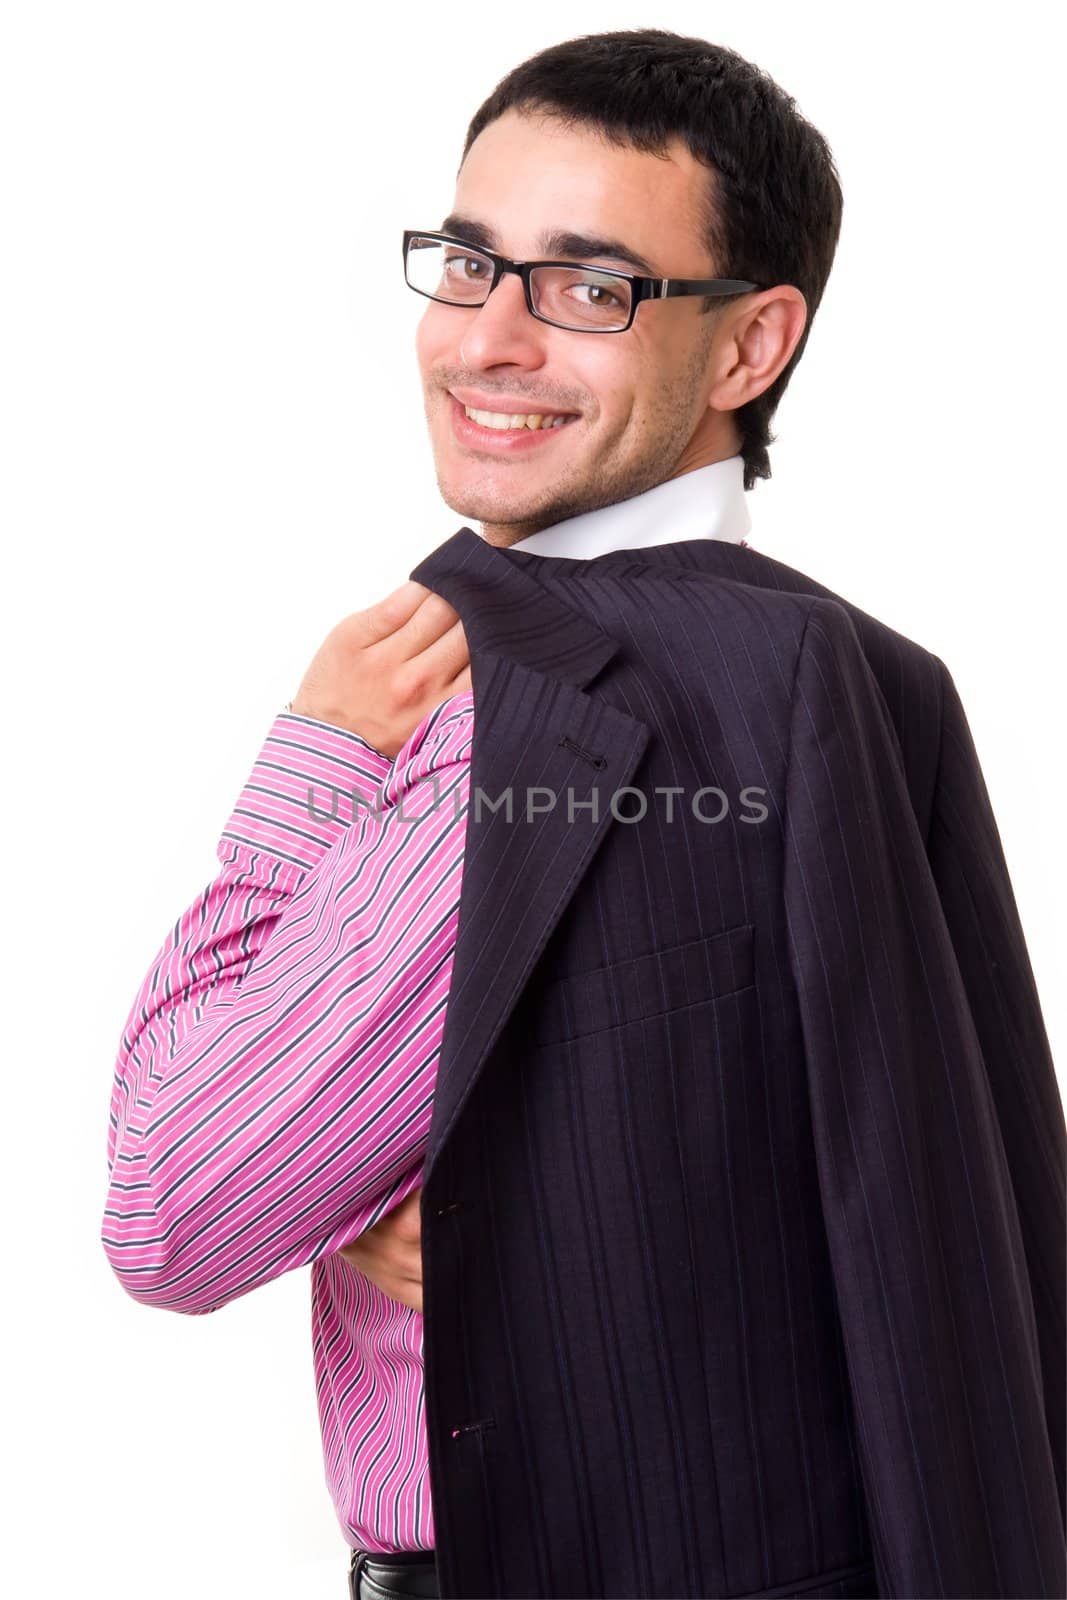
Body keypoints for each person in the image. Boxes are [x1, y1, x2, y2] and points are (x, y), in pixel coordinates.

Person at [100, 28, 1066, 1600]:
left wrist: (317, 766)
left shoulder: (524, 698)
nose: (488, 340)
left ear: (751, 347)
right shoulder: (864, 675)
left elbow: (171, 1205)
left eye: (589, 288)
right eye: (470, 263)